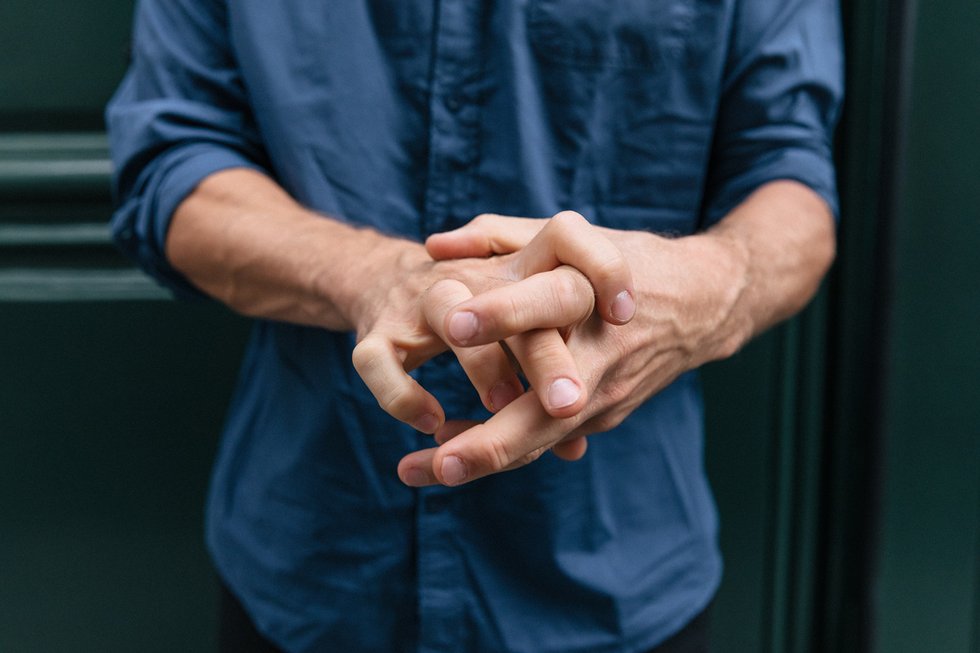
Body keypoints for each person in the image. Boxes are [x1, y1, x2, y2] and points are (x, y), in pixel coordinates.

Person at [107, 1, 842, 652]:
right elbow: (175, 157)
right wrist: (372, 275)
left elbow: (789, 179)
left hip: (616, 576)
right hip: (310, 562)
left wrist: (679, 291)